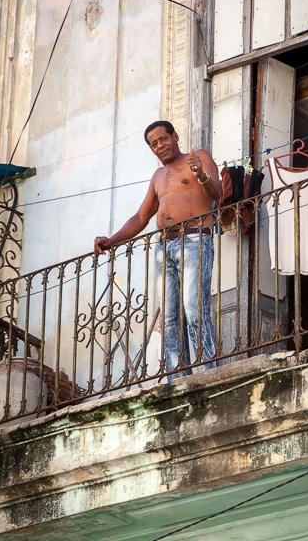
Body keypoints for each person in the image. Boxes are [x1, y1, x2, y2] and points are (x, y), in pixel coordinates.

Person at [94, 121, 221, 379]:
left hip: (195, 240)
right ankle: (176, 376)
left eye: (163, 139)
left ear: (175, 136)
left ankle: (211, 372)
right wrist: (112, 240)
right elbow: (141, 218)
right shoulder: (158, 177)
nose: (160, 146)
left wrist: (201, 175)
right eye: (154, 144)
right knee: (171, 317)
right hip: (165, 247)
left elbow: (216, 193)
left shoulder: (199, 158)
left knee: (194, 309)